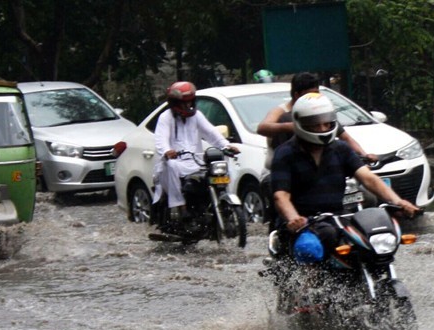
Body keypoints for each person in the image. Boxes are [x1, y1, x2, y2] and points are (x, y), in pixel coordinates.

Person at [271, 92, 419, 254]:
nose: (322, 128)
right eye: (315, 124)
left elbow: (369, 179)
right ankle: (310, 278)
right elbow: (281, 196)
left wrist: (399, 202)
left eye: (326, 123)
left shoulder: (341, 149)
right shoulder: (285, 153)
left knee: (370, 235)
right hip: (302, 222)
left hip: (336, 217)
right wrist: (294, 218)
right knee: (315, 245)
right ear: (301, 124)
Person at [257, 72, 377, 228]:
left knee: (367, 198)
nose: (321, 128)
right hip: (285, 170)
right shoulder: (282, 114)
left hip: (315, 168)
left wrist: (363, 155)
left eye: (317, 93)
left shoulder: (321, 115)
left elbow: (346, 138)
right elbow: (263, 127)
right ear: (296, 94)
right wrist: (296, 127)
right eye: (310, 95)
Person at [153, 81, 240, 216]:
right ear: (175, 103)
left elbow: (211, 133)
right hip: (176, 162)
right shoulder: (166, 118)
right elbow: (161, 140)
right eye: (184, 103)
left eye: (190, 102)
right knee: (172, 166)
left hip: (196, 162)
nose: (188, 105)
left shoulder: (197, 116)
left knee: (222, 166)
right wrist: (167, 151)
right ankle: (181, 207)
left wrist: (226, 145)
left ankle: (221, 200)